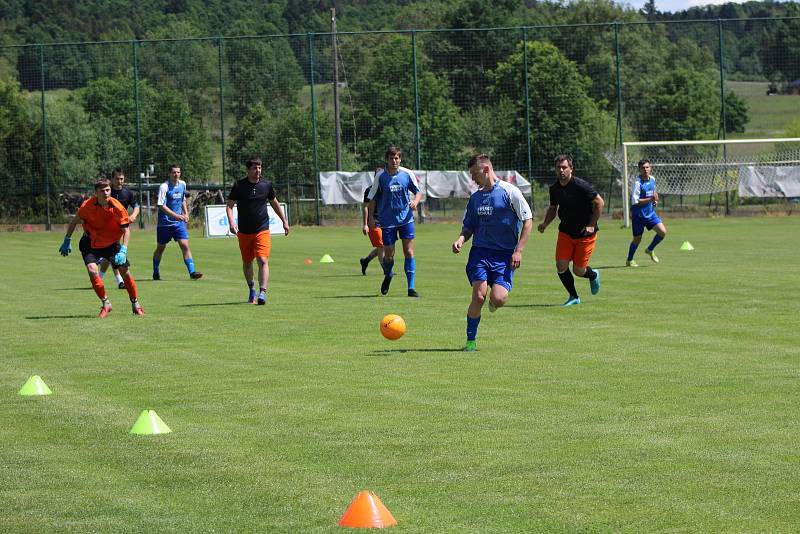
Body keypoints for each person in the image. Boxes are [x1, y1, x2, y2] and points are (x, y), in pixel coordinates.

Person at [452, 154, 533, 352]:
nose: (472, 179)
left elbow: (528, 219)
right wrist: (461, 239)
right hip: (480, 253)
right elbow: (469, 225)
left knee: (498, 299)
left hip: (504, 256)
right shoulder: (475, 198)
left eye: (475, 174)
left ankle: (494, 303)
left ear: (486, 169)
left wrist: (518, 251)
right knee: (479, 296)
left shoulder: (509, 192)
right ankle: (470, 341)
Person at [58, 178, 144, 317]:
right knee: (92, 271)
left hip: (111, 243)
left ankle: (135, 303)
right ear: (96, 193)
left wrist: (124, 249)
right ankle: (106, 303)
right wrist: (67, 239)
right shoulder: (87, 206)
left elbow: (126, 230)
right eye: (102, 191)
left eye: (108, 190)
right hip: (90, 242)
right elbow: (74, 221)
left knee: (125, 271)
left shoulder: (118, 207)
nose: (105, 193)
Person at [537, 154, 603, 307]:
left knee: (579, 271)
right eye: (558, 167)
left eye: (564, 167)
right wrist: (545, 223)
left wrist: (592, 224)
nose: (561, 170)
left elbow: (599, 202)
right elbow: (553, 208)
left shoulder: (581, 186)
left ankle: (593, 275)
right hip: (566, 232)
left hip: (585, 234)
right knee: (561, 266)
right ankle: (573, 296)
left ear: (571, 168)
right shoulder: (554, 189)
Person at [226, 156, 290, 305]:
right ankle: (252, 289)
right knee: (247, 262)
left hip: (262, 229)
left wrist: (284, 221)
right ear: (248, 170)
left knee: (262, 259)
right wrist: (231, 222)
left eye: (260, 168)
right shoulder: (239, 186)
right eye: (255, 168)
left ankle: (263, 292)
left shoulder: (266, 185)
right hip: (244, 231)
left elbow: (274, 203)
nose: (258, 171)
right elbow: (229, 205)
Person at [367, 146, 423, 297]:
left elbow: (418, 191)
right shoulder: (381, 177)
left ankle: (411, 288)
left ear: (400, 159)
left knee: (409, 252)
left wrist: (415, 202)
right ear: (387, 160)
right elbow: (372, 199)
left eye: (397, 158)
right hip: (387, 222)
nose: (394, 161)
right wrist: (371, 218)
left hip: (406, 219)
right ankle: (388, 274)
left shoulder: (407, 174)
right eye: (391, 158)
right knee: (389, 254)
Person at [152, 164, 203, 280]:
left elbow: (182, 199)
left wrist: (186, 213)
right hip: (164, 224)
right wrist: (176, 216)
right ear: (169, 173)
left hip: (178, 223)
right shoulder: (164, 187)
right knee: (161, 248)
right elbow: (161, 205)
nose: (176, 174)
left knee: (185, 245)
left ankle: (192, 272)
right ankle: (155, 271)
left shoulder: (183, 184)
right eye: (174, 172)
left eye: (178, 172)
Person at [99, 167, 140, 289]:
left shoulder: (128, 192)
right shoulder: (107, 191)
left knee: (110, 254)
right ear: (112, 179)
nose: (119, 181)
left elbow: (136, 206)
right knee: (113, 253)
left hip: (121, 227)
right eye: (117, 178)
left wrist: (133, 215)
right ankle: (119, 281)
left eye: (121, 178)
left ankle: (100, 278)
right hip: (106, 227)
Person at [626, 158, 666, 266]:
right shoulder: (637, 183)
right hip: (639, 216)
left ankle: (650, 249)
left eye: (647, 167)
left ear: (650, 168)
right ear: (639, 170)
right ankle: (629, 260)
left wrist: (654, 201)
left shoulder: (652, 179)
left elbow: (652, 192)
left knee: (662, 232)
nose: (645, 169)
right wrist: (650, 200)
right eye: (643, 168)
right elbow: (635, 201)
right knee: (637, 240)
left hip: (650, 214)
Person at [359, 184, 384, 275]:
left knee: (385, 246)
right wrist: (365, 224)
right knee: (381, 246)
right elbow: (365, 207)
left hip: (385, 221)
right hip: (374, 221)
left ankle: (366, 261)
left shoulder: (386, 188)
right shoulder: (370, 190)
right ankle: (386, 270)